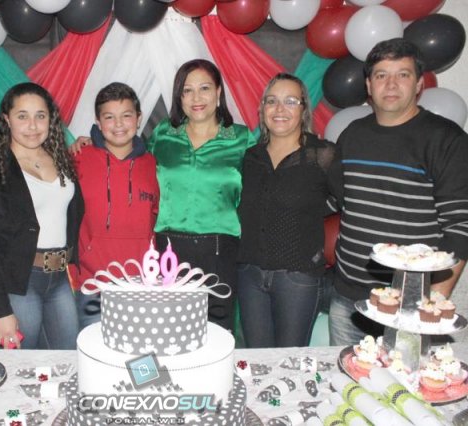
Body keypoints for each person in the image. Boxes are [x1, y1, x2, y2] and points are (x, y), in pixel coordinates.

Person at [327, 38, 468, 346]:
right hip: (348, 300)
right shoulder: (352, 135)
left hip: (410, 307)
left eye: (402, 74)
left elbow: (460, 226)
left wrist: (432, 303)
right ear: (369, 85)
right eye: (381, 75)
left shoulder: (446, 139)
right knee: (348, 376)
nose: (391, 84)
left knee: (408, 378)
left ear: (419, 84)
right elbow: (338, 200)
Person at [148, 59, 257, 331]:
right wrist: (92, 140)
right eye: (187, 90)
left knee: (217, 332)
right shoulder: (163, 134)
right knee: (169, 331)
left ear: (218, 92)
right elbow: (132, 161)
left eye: (204, 88)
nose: (196, 98)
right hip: (168, 248)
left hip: (220, 250)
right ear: (179, 97)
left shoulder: (241, 138)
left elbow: (261, 192)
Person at [0, 82, 82, 349]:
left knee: (68, 359)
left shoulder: (61, 158)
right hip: (17, 282)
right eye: (22, 116)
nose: (32, 126)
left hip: (59, 278)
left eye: (40, 116)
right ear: (7, 119)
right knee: (20, 364)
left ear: (50, 119)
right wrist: (0, 310)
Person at [237, 73, 336, 348]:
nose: (280, 109)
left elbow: (350, 204)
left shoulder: (323, 155)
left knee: (290, 361)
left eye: (290, 101)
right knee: (257, 360)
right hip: (249, 276)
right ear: (262, 109)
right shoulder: (250, 157)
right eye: (272, 101)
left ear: (304, 109)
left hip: (298, 280)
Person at [70, 82, 159, 329]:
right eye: (109, 117)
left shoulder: (153, 164)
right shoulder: (77, 158)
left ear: (139, 118)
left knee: (141, 350)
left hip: (142, 286)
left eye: (126, 115)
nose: (118, 124)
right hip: (92, 285)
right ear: (98, 122)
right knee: (93, 351)